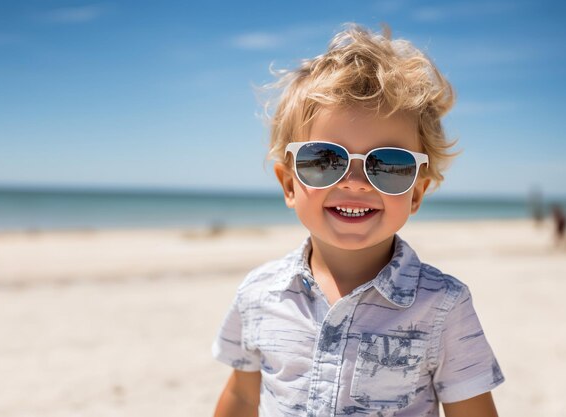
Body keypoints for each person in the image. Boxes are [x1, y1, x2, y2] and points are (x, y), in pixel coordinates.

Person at [212, 23, 505, 417]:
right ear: (289, 184)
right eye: (323, 161)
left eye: (389, 165)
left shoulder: (443, 306)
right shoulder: (259, 293)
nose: (355, 183)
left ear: (416, 192)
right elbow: (243, 397)